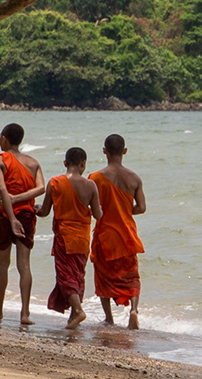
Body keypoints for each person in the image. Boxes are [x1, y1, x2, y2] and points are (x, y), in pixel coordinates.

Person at [0, 122, 45, 325]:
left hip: (5, 215)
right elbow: (41, 188)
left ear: (4, 139)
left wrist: (11, 217)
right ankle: (25, 314)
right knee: (24, 265)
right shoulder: (33, 163)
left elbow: (2, 190)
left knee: (3, 263)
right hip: (26, 215)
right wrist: (19, 200)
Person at [33, 146, 101, 329]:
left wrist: (36, 209)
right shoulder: (91, 185)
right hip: (82, 238)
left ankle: (78, 311)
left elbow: (45, 212)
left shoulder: (55, 182)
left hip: (64, 236)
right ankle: (72, 317)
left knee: (65, 275)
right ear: (83, 164)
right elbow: (98, 214)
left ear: (65, 163)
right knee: (78, 275)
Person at [88, 133, 146, 329]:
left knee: (103, 276)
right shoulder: (134, 178)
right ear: (125, 151)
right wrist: (123, 209)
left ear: (104, 151)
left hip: (105, 235)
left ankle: (109, 318)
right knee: (131, 275)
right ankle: (134, 310)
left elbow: (91, 207)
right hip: (127, 235)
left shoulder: (95, 178)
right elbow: (141, 208)